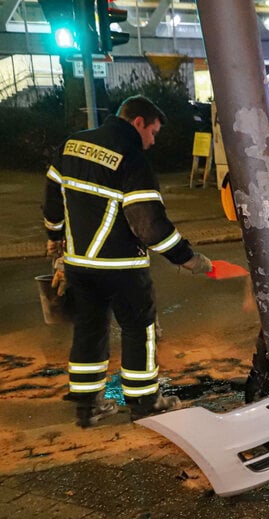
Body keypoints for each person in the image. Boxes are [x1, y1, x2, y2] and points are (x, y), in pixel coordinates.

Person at [42, 95, 213, 428]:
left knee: (89, 329)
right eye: (153, 133)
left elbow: (52, 204)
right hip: (122, 268)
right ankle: (145, 403)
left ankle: (88, 407)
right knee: (138, 331)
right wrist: (188, 258)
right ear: (138, 122)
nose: (151, 142)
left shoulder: (71, 146)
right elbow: (149, 225)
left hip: (79, 265)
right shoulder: (132, 159)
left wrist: (54, 237)